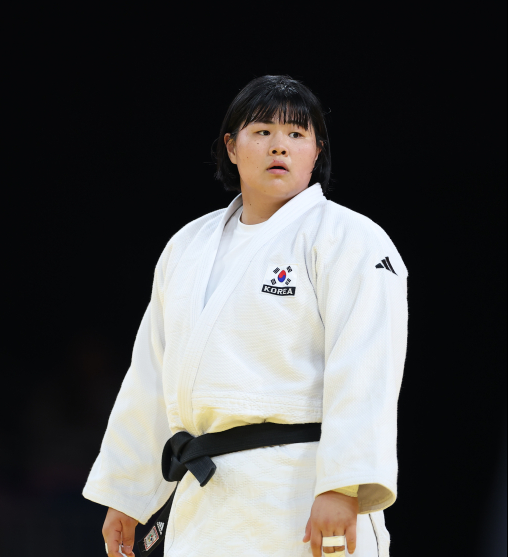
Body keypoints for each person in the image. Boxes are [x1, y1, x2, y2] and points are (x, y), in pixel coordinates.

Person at [84, 75, 407, 557]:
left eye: (297, 135)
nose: (280, 145)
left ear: (316, 151)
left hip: (301, 489)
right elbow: (151, 376)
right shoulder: (188, 246)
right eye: (262, 132)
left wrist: (344, 484)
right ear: (231, 148)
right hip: (206, 500)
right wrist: (128, 495)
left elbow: (367, 366)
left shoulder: (350, 239)